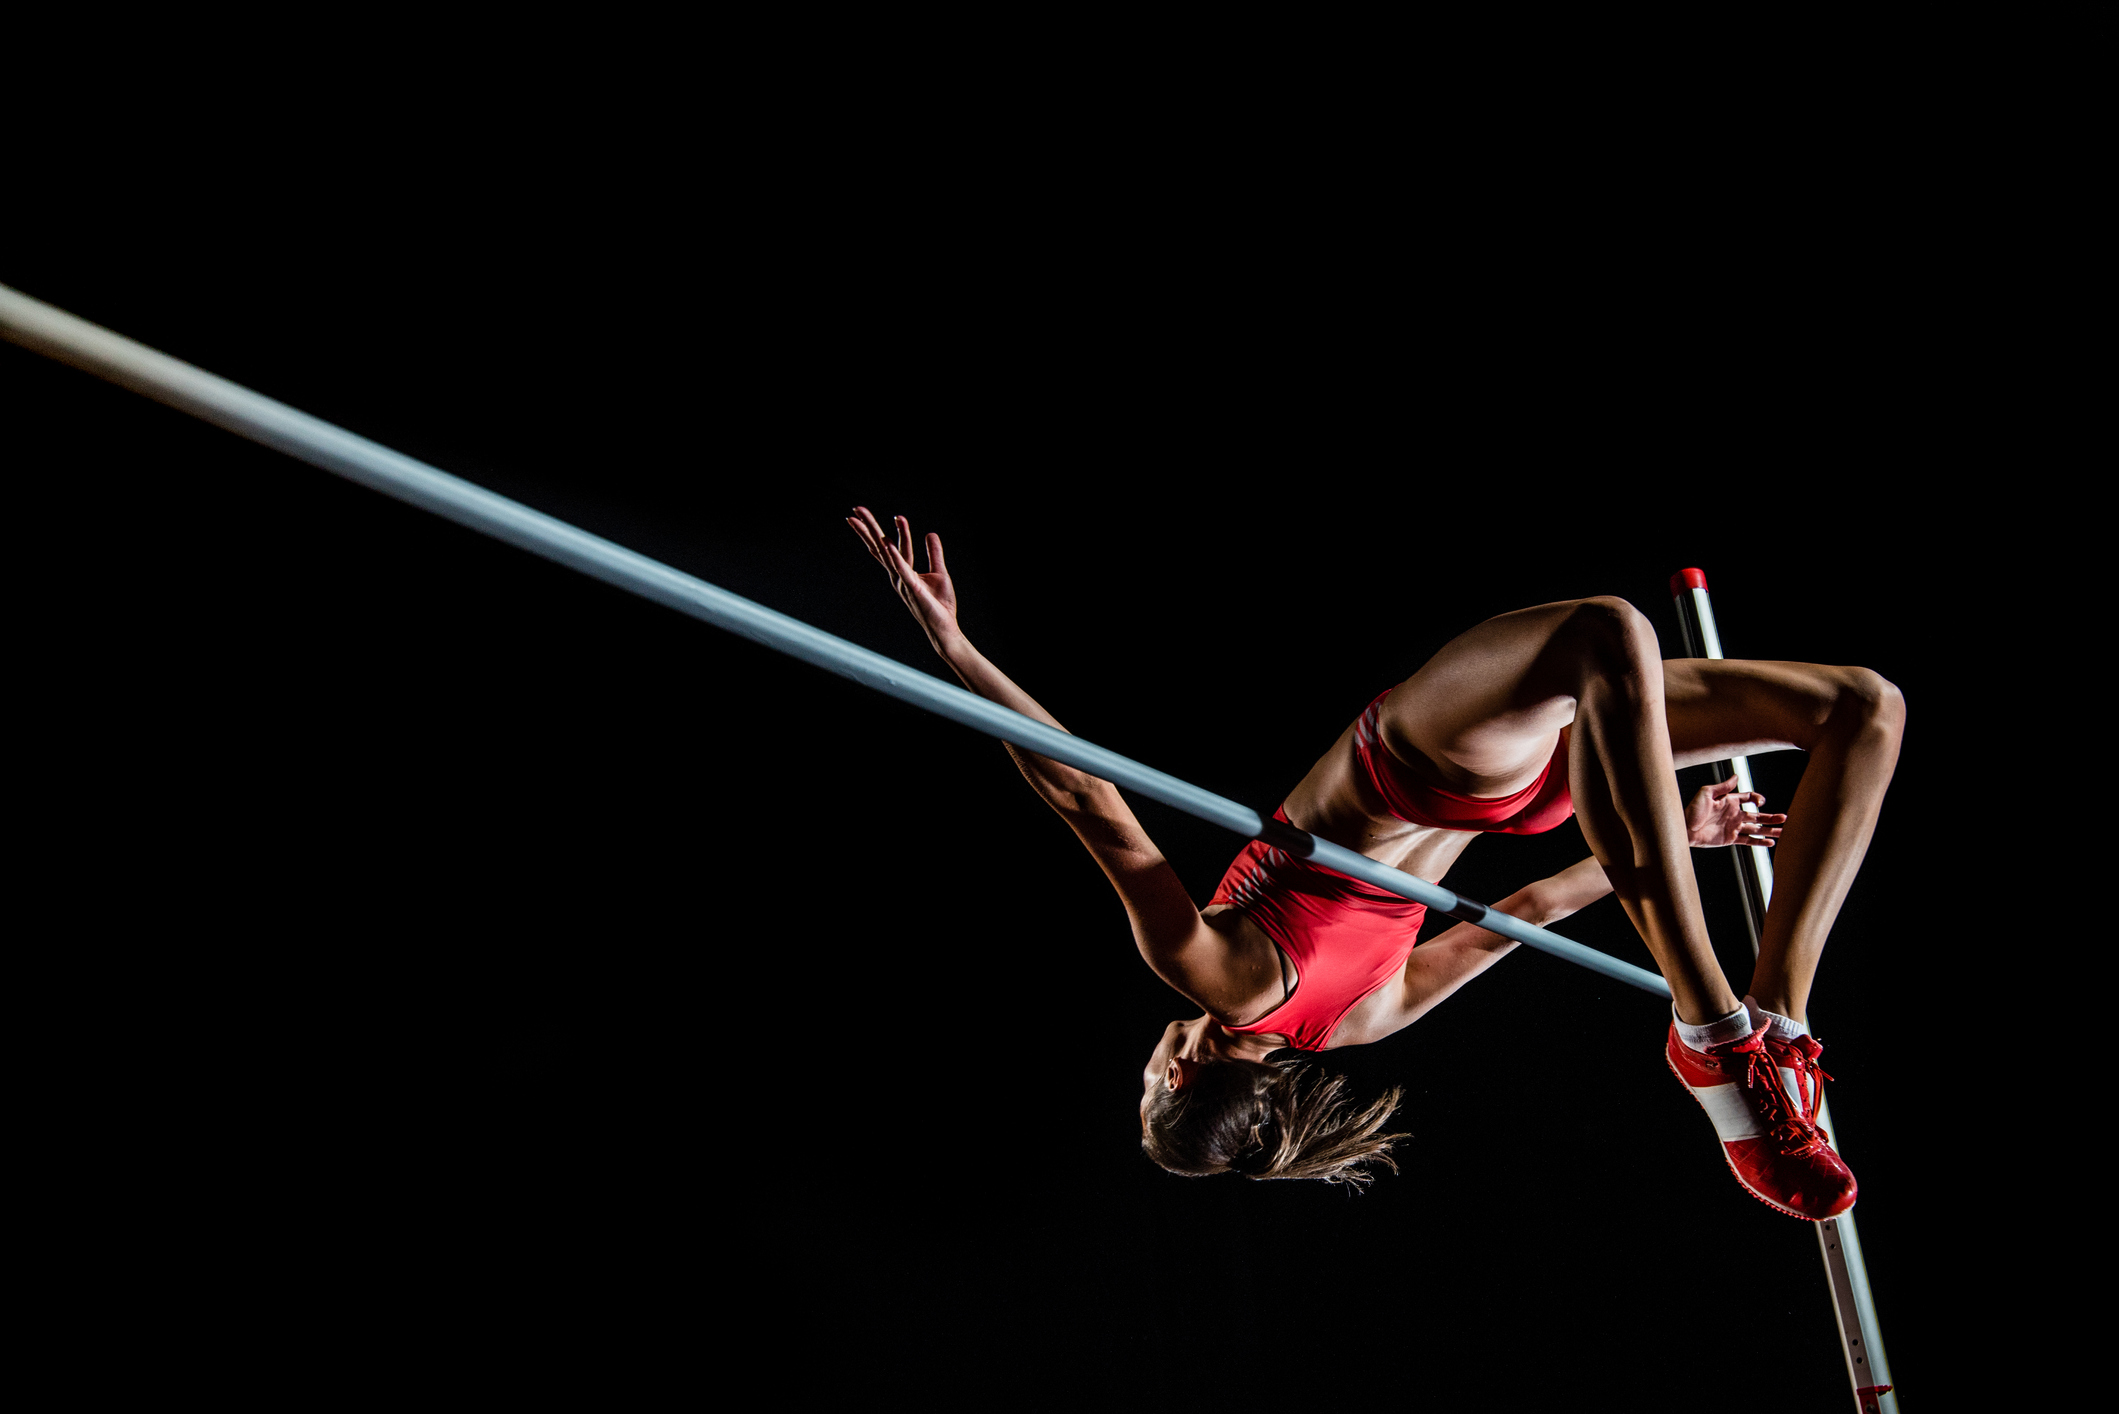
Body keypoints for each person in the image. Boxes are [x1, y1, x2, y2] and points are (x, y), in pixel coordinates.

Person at [845, 508, 1903, 1219]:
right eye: (1143, 1079)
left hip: (1524, 795)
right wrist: (956, 652)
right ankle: (1711, 1025)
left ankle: (1777, 1021)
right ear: (1174, 1074)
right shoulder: (1208, 978)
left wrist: (1683, 830)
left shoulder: (1361, 1022)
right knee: (1605, 628)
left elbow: (1522, 907)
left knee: (1862, 709)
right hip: (1421, 763)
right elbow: (1087, 791)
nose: (1147, 1058)